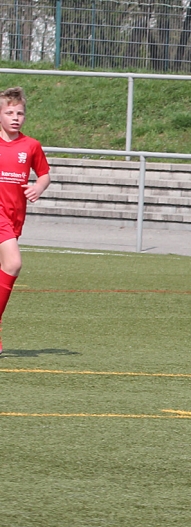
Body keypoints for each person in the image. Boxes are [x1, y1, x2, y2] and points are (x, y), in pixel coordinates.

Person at [0, 87, 50, 356]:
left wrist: (38, 187)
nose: (15, 118)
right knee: (14, 263)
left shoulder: (31, 146)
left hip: (15, 216)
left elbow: (44, 174)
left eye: (19, 113)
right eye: (9, 113)